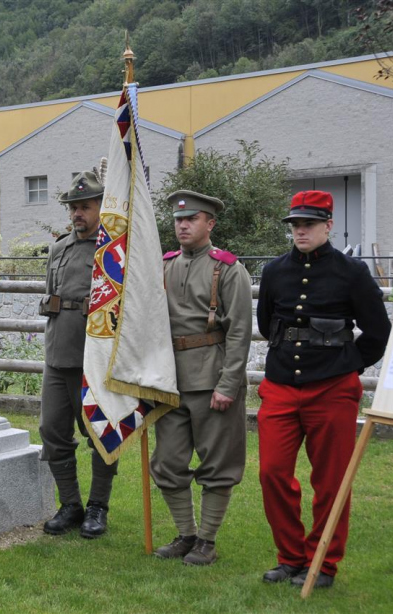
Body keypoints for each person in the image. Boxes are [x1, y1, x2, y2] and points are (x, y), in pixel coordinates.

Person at [257, 190, 391, 588]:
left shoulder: (351, 272)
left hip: (332, 388)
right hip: (282, 384)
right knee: (272, 473)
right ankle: (290, 557)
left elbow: (378, 331)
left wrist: (347, 365)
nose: (300, 230)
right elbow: (268, 325)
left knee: (330, 479)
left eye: (309, 224)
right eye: (295, 225)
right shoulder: (275, 270)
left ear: (328, 225)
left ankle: (323, 562)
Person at [151, 190, 252, 565]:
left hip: (212, 379)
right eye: (178, 220)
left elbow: (240, 332)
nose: (183, 225)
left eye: (191, 219)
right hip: (170, 380)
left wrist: (228, 384)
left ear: (210, 223)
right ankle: (186, 534)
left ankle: (206, 540)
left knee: (218, 463)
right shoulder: (164, 265)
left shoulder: (228, 269)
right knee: (167, 461)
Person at [39, 170, 119, 538]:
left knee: (101, 435)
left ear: (102, 208)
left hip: (94, 360)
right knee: (52, 431)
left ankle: (97, 507)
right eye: (74, 207)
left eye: (85, 207)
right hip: (58, 357)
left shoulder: (112, 252)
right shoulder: (59, 248)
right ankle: (70, 504)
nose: (77, 214)